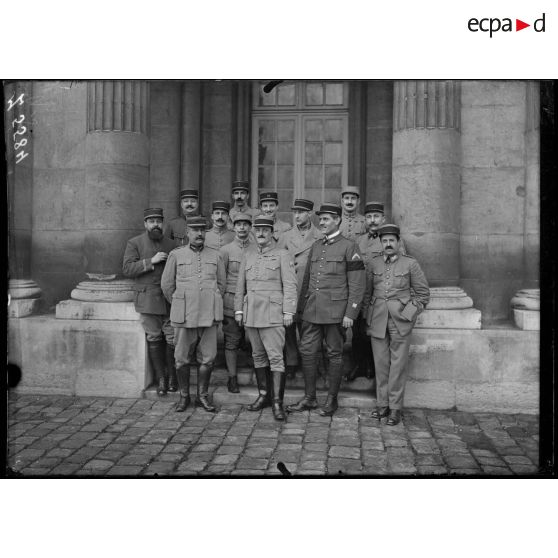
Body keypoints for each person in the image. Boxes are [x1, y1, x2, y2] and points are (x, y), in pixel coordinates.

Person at [287, 203, 366, 417]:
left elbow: (357, 285)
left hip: (335, 312)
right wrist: (301, 310)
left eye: (327, 219)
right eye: (320, 219)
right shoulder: (316, 246)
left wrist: (351, 313)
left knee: (334, 354)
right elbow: (307, 281)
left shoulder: (350, 247)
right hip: (312, 311)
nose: (322, 223)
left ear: (338, 220)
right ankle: (310, 398)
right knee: (307, 352)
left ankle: (332, 400)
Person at [362, 224, 430, 426]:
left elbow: (423, 295)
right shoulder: (373, 264)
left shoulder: (410, 264)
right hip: (377, 319)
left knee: (398, 366)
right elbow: (367, 294)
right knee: (381, 364)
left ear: (398, 242)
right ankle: (382, 405)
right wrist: (367, 318)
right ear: (381, 243)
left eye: (392, 240)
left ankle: (395, 409)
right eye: (385, 241)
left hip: (400, 321)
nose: (388, 244)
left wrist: (407, 316)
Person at [234, 216, 297, 421]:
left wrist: (288, 311)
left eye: (265, 230)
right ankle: (263, 396)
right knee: (258, 356)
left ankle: (278, 402)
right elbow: (240, 286)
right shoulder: (248, 255)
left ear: (272, 233)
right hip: (251, 313)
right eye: (258, 230)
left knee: (276, 358)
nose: (260, 233)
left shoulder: (282, 254)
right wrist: (238, 311)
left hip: (273, 314)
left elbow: (289, 285)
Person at [161, 215, 226, 413]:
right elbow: (167, 285)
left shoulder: (216, 255)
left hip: (208, 315)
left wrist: (208, 301)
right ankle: (184, 396)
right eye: (195, 230)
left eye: (202, 230)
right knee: (181, 358)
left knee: (208, 358)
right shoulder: (176, 255)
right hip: (185, 316)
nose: (199, 234)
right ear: (187, 233)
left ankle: (203, 397)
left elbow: (221, 285)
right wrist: (181, 303)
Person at [346, 201, 407, 382]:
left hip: (380, 296)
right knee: (357, 332)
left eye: (376, 217)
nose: (373, 221)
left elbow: (400, 267)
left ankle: (373, 367)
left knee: (375, 333)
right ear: (365, 219)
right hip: (359, 293)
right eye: (369, 217)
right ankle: (358, 365)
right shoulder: (359, 241)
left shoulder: (392, 241)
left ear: (383, 218)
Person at [122, 208, 178, 396]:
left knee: (172, 338)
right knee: (154, 337)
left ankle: (172, 376)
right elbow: (127, 269)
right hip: (147, 300)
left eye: (158, 221)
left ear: (163, 224)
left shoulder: (172, 244)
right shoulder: (134, 243)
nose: (156, 224)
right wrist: (150, 261)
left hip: (169, 300)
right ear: (145, 224)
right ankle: (160, 378)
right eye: (151, 221)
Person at [277, 198, 322, 379]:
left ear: (309, 214)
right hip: (290, 288)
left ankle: (309, 362)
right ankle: (292, 361)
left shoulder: (319, 236)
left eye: (300, 212)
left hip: (311, 289)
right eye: (294, 212)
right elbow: (278, 261)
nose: (296, 216)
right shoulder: (286, 237)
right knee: (288, 328)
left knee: (309, 328)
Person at [219, 212, 255, 393]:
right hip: (231, 300)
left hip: (252, 300)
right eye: (239, 224)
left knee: (255, 339)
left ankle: (259, 374)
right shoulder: (225, 250)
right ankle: (232, 378)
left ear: (250, 227)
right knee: (231, 341)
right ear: (233, 226)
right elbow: (221, 279)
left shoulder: (257, 248)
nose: (242, 228)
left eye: (246, 224)